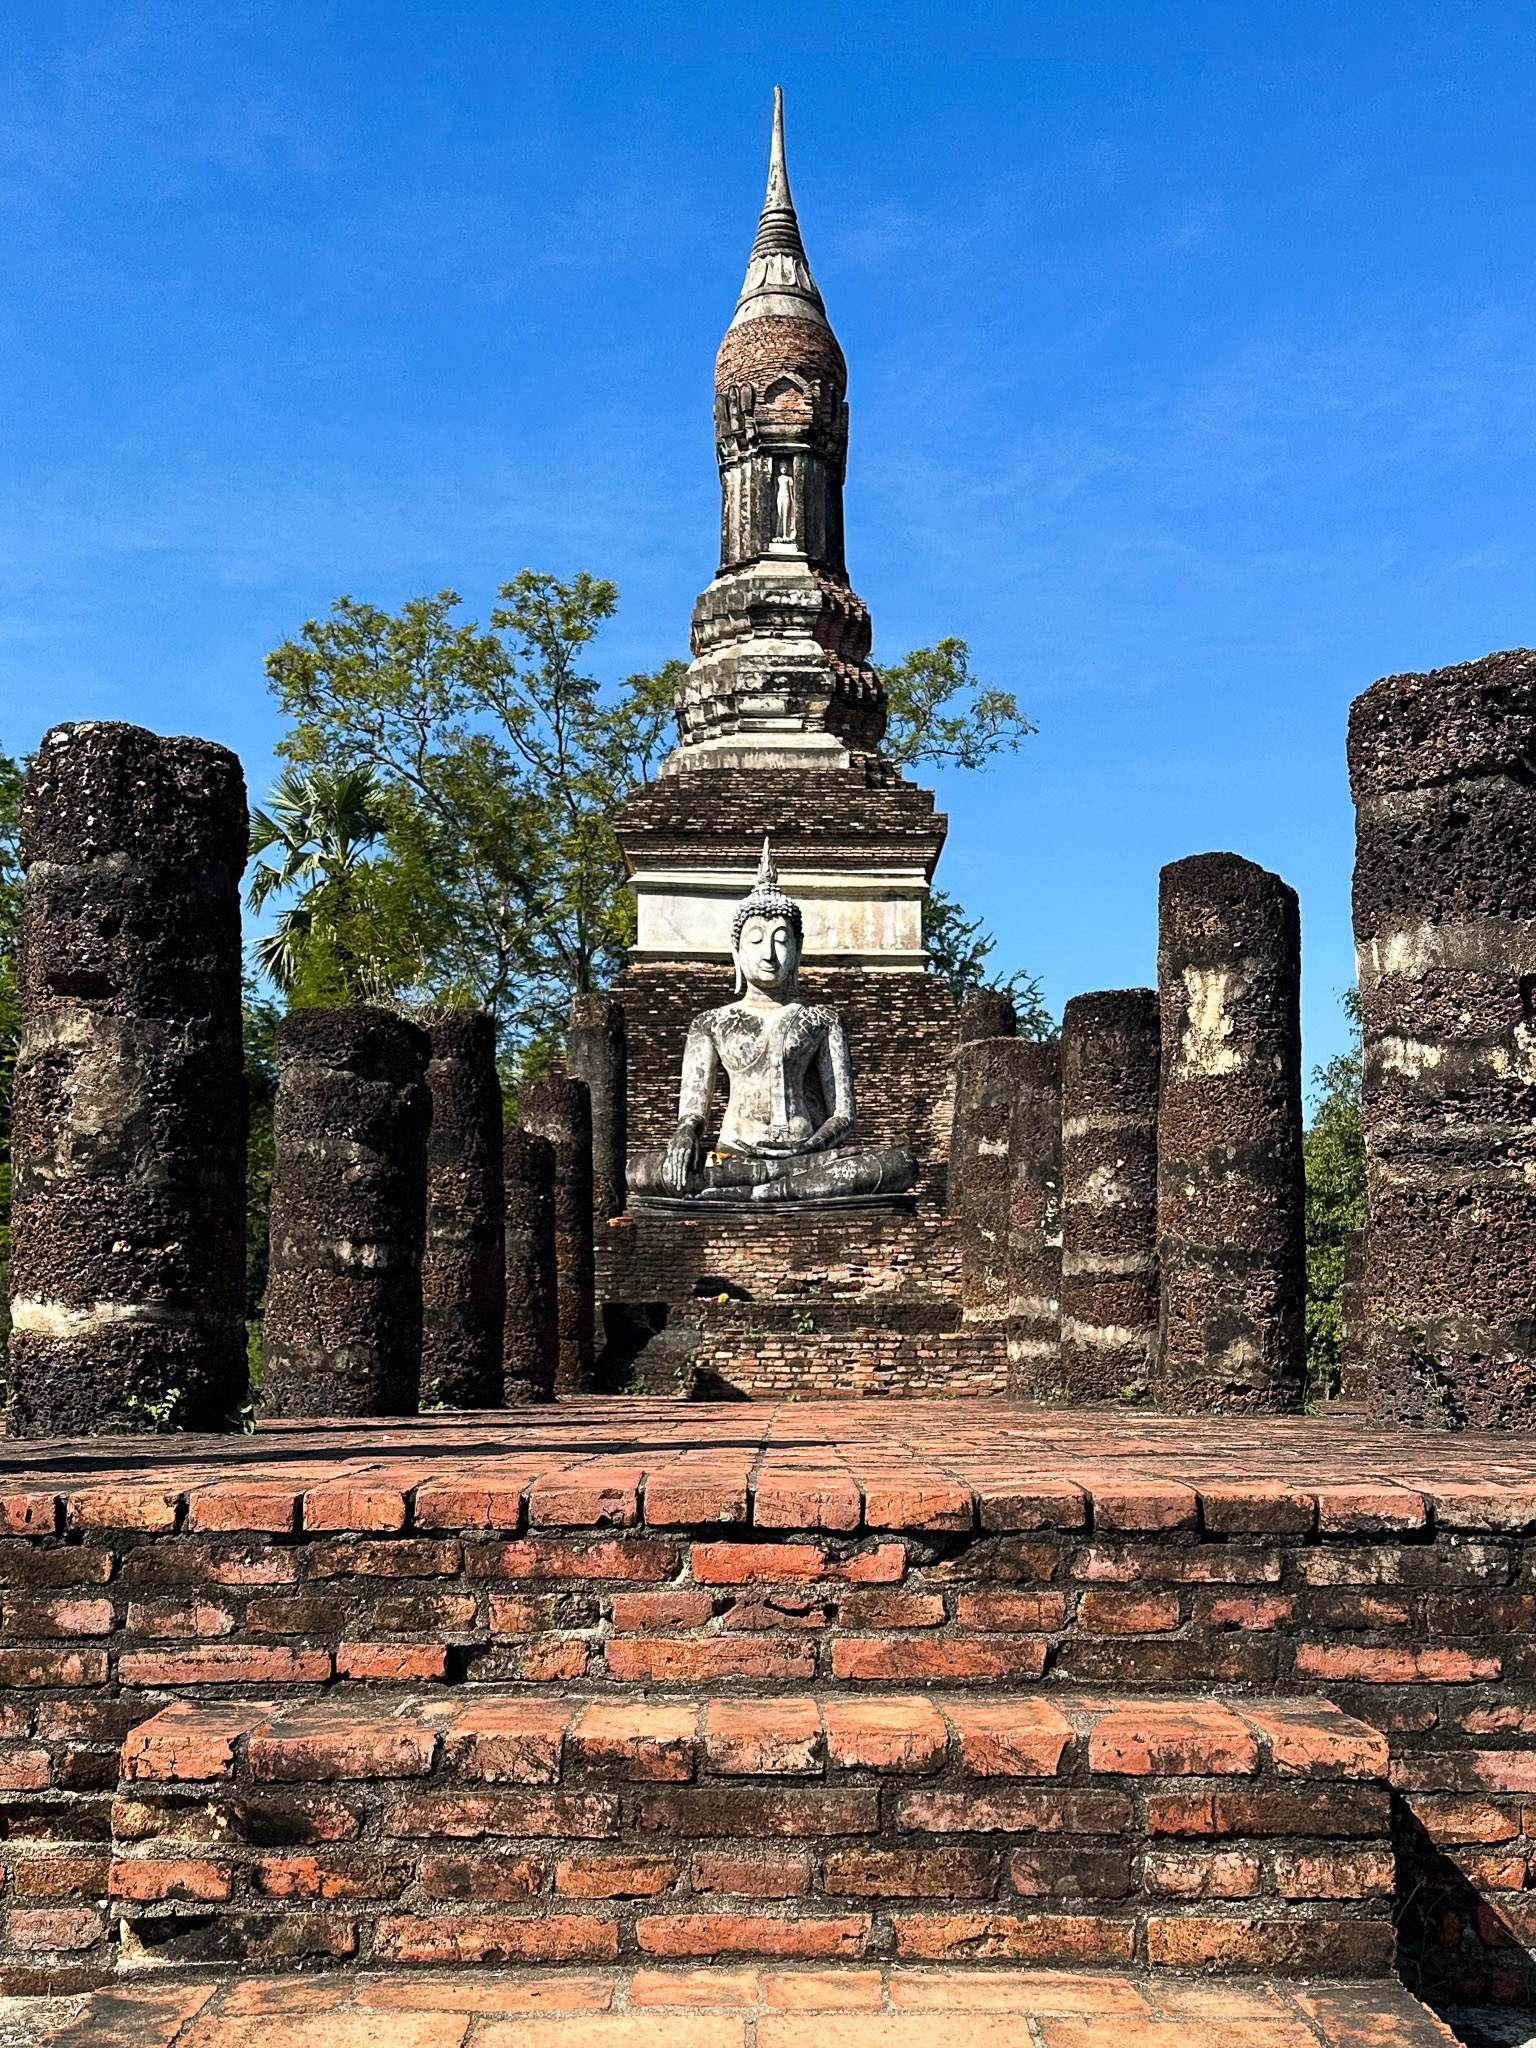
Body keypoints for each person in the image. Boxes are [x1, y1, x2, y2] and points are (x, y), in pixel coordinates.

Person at [629, 840, 917, 1204]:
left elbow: (843, 1115)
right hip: (731, 1156)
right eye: (755, 940)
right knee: (641, 1170)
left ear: (798, 949)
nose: (768, 953)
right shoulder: (711, 1023)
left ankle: (762, 1191)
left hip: (807, 1158)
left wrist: (807, 1148)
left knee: (898, 1164)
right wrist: (685, 1134)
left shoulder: (822, 1019)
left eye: (781, 941)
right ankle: (763, 1186)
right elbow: (692, 1110)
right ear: (736, 951)